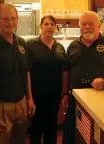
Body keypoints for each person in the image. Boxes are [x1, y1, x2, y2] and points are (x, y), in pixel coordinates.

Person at [61, 11, 104, 144]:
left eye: (91, 24)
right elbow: (66, 72)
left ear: (99, 26)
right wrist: (65, 93)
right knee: (71, 135)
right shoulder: (73, 46)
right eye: (84, 24)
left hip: (102, 100)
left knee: (95, 137)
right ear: (79, 26)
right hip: (76, 99)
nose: (87, 27)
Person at [0, 3, 36, 144]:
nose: (10, 22)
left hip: (21, 105)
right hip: (0, 108)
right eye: (6, 19)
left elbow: (26, 73)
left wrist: (30, 98)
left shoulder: (21, 44)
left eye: (13, 18)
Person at [27, 15, 66, 144]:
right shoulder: (31, 45)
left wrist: (63, 94)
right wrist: (29, 97)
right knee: (36, 129)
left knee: (51, 129)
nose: (49, 27)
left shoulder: (60, 47)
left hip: (54, 96)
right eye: (46, 24)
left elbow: (64, 72)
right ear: (41, 27)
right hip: (36, 96)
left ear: (55, 28)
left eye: (52, 24)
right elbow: (27, 72)